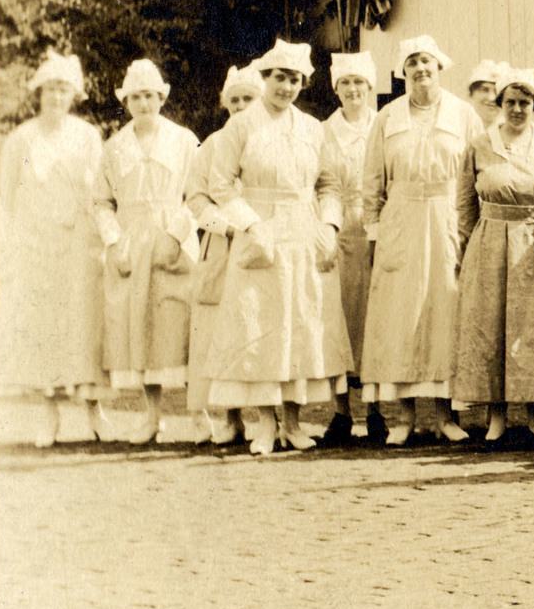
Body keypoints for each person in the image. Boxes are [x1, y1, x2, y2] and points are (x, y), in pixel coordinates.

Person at [193, 40, 349, 457]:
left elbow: (329, 184)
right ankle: (264, 423)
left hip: (302, 231)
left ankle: (294, 423)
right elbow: (220, 184)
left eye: (294, 79)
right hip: (258, 230)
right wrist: (250, 224)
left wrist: (329, 226)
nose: (286, 86)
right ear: (265, 78)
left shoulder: (313, 129)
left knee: (298, 325)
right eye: (279, 77)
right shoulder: (241, 126)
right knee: (259, 326)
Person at [358, 35, 475, 445]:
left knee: (445, 309)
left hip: (447, 217)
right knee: (400, 317)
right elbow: (372, 181)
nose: (420, 69)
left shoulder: (463, 114)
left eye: (426, 61)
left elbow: (476, 173)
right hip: (401, 221)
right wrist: (374, 234)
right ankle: (403, 418)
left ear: (439, 66)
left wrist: (469, 229)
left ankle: (444, 415)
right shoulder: (386, 118)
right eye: (412, 63)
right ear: (403, 71)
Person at [453, 65, 534, 443]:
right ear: (500, 103)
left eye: (525, 102)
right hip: (491, 243)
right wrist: (467, 248)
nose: (518, 109)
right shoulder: (479, 144)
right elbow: (464, 205)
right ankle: (497, 416)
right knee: (492, 327)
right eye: (511, 102)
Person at [0, 51, 107, 447]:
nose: (57, 96)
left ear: (73, 94)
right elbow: (5, 199)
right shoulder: (20, 139)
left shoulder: (87, 136)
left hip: (78, 243)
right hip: (34, 245)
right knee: (41, 327)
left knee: (82, 324)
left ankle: (94, 411)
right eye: (51, 89)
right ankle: (47, 413)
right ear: (40, 92)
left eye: (64, 89)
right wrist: (5, 251)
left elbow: (100, 195)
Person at [89, 58, 198, 444]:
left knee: (181, 326)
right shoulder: (115, 146)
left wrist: (178, 235)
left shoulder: (184, 140)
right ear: (127, 101)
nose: (144, 104)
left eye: (150, 96)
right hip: (133, 243)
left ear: (162, 98)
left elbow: (196, 196)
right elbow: (101, 202)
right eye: (136, 97)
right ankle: (152, 416)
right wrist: (114, 242)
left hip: (173, 241)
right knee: (142, 333)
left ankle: (198, 415)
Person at [182, 65, 261, 444]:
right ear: (225, 104)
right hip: (223, 245)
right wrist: (226, 225)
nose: (242, 106)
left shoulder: (269, 139)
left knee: (261, 323)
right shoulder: (212, 144)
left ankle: (267, 416)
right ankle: (230, 417)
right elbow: (195, 199)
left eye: (249, 98)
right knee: (219, 330)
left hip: (262, 242)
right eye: (235, 100)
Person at [321, 51, 379, 436]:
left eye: (359, 82)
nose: (353, 89)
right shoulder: (323, 131)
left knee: (374, 318)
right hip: (337, 228)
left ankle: (375, 411)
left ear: (370, 87)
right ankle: (340, 411)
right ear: (336, 89)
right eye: (346, 83)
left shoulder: (383, 125)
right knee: (336, 317)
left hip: (375, 227)